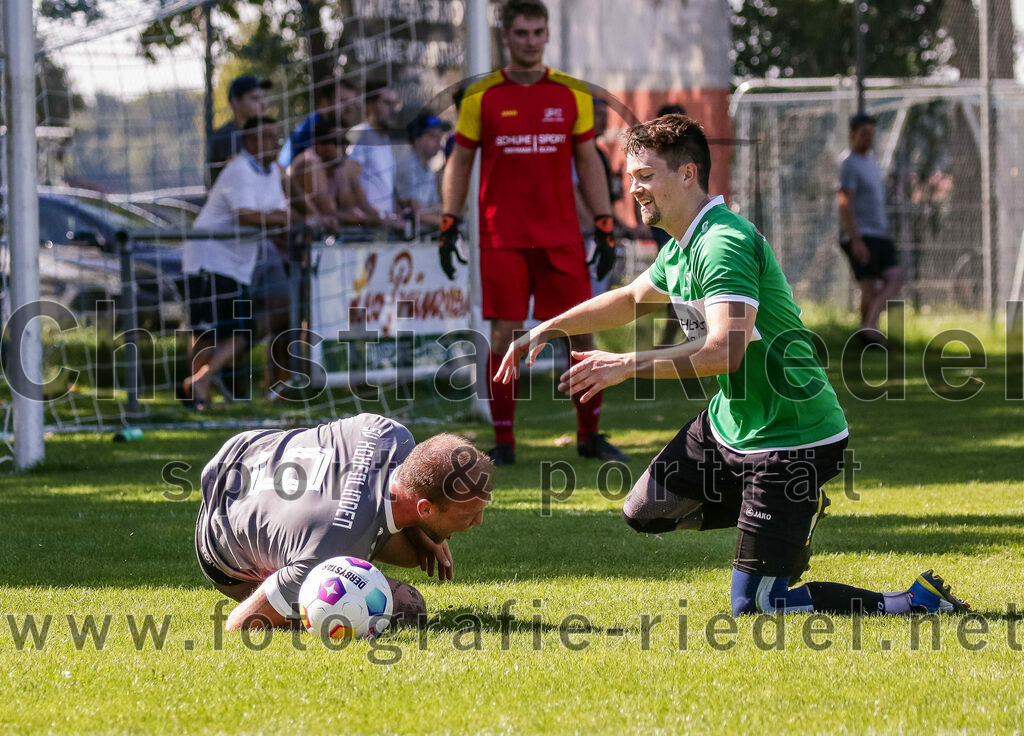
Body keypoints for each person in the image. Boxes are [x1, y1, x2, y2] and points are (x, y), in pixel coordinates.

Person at [496, 114, 969, 618]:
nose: (634, 189)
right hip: (730, 425)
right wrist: (545, 328)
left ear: (687, 174)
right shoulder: (682, 245)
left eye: (646, 176)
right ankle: (779, 518)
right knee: (644, 511)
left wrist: (625, 364)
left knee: (759, 606)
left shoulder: (722, 244)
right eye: (631, 177)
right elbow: (630, 298)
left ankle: (912, 600)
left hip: (792, 438)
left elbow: (724, 351)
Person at [440, 0, 627, 466]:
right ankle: (504, 442)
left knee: (582, 335)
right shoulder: (480, 95)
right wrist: (448, 220)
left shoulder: (571, 93)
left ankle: (590, 435)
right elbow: (460, 161)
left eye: (537, 32)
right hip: (501, 236)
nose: (529, 40)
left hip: (561, 236)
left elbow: (588, 160)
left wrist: (604, 224)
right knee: (503, 338)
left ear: (546, 35)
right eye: (521, 33)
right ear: (507, 37)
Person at [194, 413, 493, 631]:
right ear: (425, 508)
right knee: (408, 607)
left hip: (246, 454)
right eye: (470, 514)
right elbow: (239, 623)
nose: (479, 521)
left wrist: (421, 533)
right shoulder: (332, 543)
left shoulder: (390, 432)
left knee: (414, 555)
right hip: (220, 548)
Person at [183, 116, 292, 408]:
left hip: (238, 264)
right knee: (206, 333)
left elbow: (283, 216)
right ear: (250, 142)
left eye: (276, 136)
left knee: (242, 334)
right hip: (209, 257)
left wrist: (270, 217)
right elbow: (246, 216)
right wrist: (272, 218)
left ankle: (200, 381)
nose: (275, 143)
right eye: (268, 137)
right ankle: (198, 395)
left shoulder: (270, 173)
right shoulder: (239, 170)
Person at [838, 113, 904, 348]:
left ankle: (867, 326)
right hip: (861, 234)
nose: (868, 138)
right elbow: (845, 202)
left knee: (894, 276)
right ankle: (868, 335)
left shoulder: (872, 162)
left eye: (871, 134)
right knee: (868, 286)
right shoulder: (849, 163)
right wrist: (855, 240)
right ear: (853, 134)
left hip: (878, 233)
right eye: (864, 134)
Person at [348, 82, 402, 223]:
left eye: (395, 103)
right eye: (387, 103)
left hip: (385, 226)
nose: (393, 109)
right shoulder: (360, 134)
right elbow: (351, 179)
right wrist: (371, 213)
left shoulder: (386, 139)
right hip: (367, 228)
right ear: (370, 106)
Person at [278, 78, 358, 170]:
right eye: (343, 101)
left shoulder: (330, 126)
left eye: (352, 102)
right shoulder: (312, 128)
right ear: (325, 103)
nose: (350, 108)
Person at [207, 74, 271, 185]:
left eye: (263, 97)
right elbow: (241, 179)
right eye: (255, 98)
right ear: (236, 102)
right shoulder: (227, 136)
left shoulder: (256, 134)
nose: (263, 104)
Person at [395, 112, 450, 229]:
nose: (438, 142)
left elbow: (436, 207)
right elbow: (415, 213)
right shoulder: (407, 167)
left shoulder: (428, 168)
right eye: (432, 136)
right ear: (416, 139)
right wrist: (447, 225)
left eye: (439, 136)